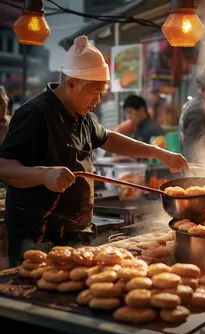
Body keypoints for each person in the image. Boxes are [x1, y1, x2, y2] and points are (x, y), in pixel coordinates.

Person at [0, 35, 188, 266]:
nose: (98, 100)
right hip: (37, 240)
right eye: (95, 91)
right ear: (71, 84)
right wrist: (43, 174)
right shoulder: (34, 114)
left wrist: (161, 154)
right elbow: (4, 167)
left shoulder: (82, 117)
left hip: (74, 235)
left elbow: (109, 138)